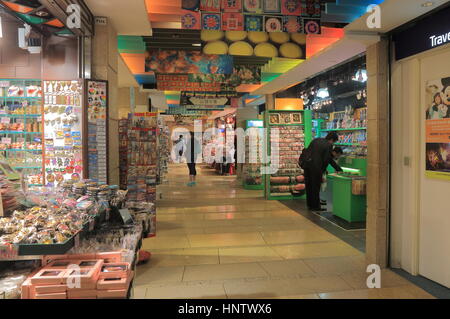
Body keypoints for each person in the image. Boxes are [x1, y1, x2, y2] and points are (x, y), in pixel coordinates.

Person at [300, 132, 339, 212]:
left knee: (309, 186)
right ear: (331, 139)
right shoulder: (328, 145)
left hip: (307, 166)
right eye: (334, 141)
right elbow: (326, 159)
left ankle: (310, 205)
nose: (333, 143)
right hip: (316, 168)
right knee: (315, 187)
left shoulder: (316, 140)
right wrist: (324, 170)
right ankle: (316, 207)